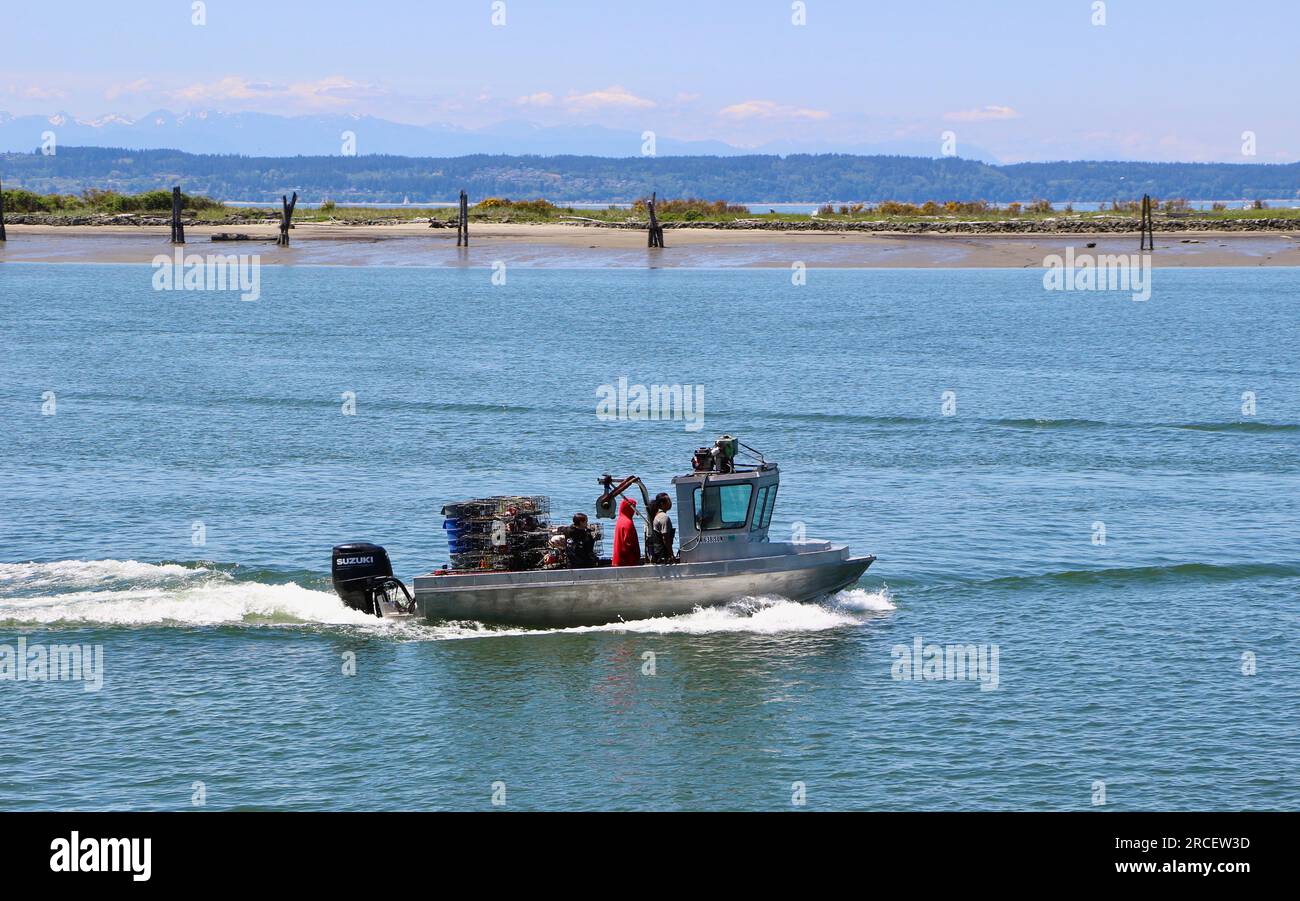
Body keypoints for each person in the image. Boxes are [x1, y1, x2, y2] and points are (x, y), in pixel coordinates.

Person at [645, 492, 676, 564]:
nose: (670, 503)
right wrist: (671, 554)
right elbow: (665, 539)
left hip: (657, 554)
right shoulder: (664, 517)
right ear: (662, 504)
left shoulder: (657, 515)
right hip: (662, 555)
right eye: (668, 501)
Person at [612, 497, 641, 566]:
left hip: (618, 559)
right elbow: (629, 543)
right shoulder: (628, 523)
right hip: (627, 561)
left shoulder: (620, 520)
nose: (634, 511)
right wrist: (636, 557)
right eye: (633, 508)